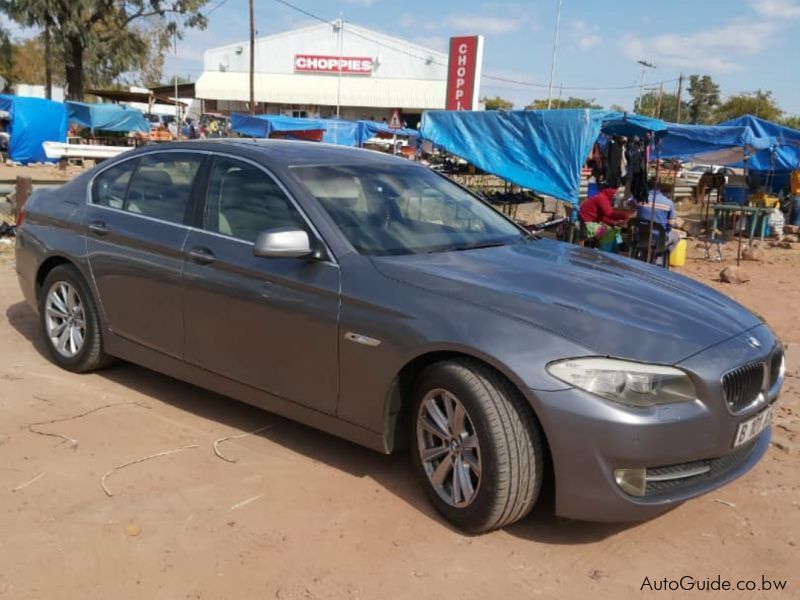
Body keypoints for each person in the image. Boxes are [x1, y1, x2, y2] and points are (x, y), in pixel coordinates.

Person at [636, 179, 680, 252]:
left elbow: (628, 202)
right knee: (676, 237)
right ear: (660, 188)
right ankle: (659, 256)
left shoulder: (639, 198)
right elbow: (671, 222)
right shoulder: (669, 203)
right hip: (659, 236)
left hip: (640, 234)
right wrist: (668, 228)